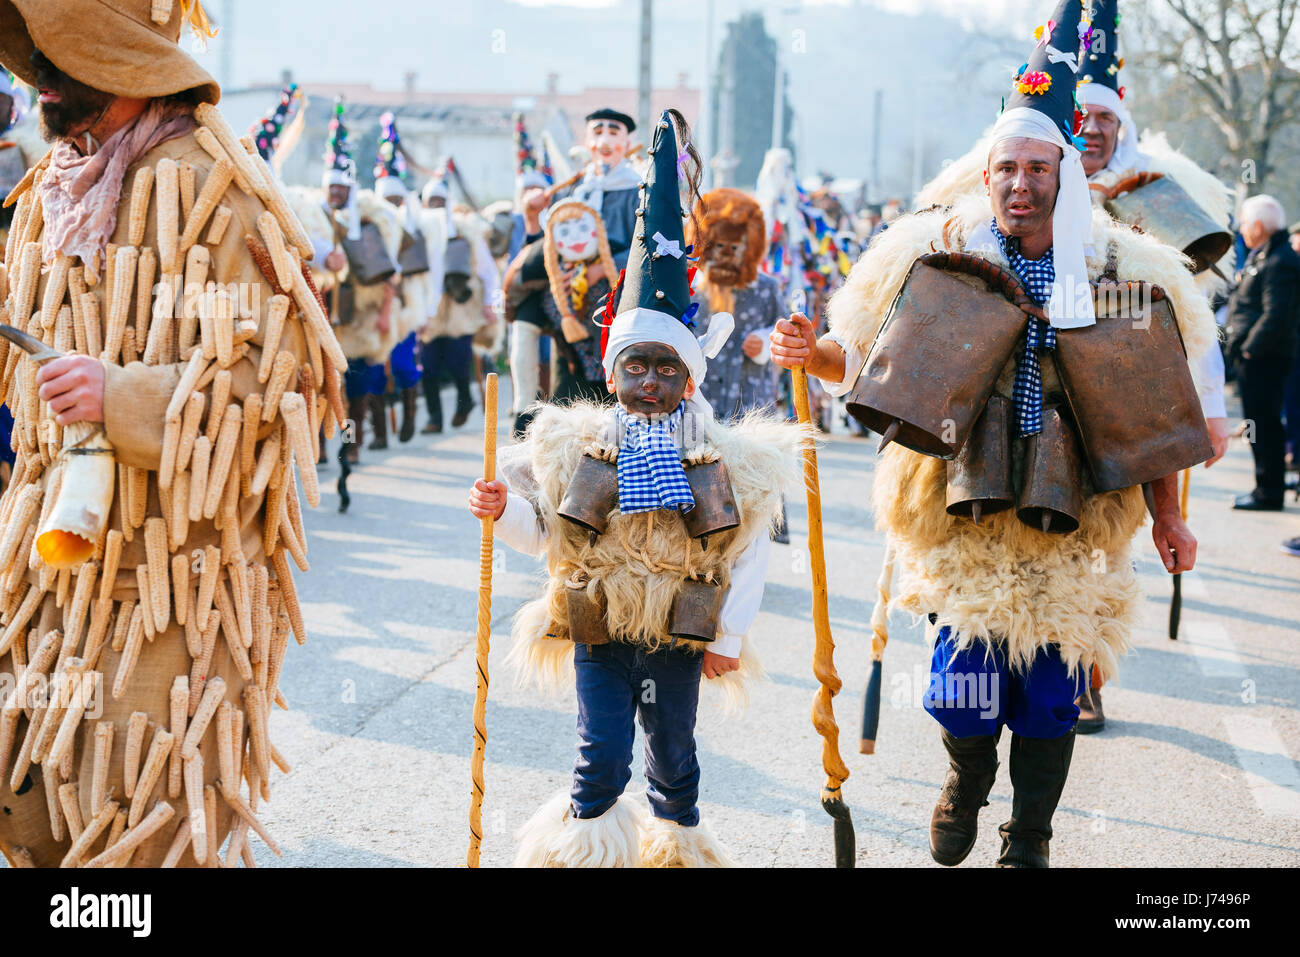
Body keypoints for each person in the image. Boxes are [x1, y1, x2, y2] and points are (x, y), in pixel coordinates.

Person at [770, 0, 1215, 867]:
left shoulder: (1114, 273)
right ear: (990, 171)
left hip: (1071, 517)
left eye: (1036, 168)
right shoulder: (937, 253)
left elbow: (1153, 413)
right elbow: (866, 358)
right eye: (1005, 167)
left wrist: (1169, 515)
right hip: (961, 511)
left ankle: (1030, 835)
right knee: (963, 693)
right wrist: (810, 352)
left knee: (1050, 696)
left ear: (1064, 175)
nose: (1019, 183)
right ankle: (967, 779)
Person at [0, 0, 343, 866]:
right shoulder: (49, 190)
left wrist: (122, 394)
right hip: (45, 566)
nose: (43, 76)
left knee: (135, 819)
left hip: (170, 588)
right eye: (38, 53)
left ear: (126, 62)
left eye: (63, 54)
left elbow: (281, 386)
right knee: (28, 796)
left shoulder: (214, 187)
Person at [468, 111, 803, 867]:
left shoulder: (720, 455)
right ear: (612, 372)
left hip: (678, 632)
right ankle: (586, 849)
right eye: (635, 367)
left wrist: (729, 637)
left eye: (666, 367)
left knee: (674, 754)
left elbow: (747, 553)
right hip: (600, 624)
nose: (650, 381)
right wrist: (503, 512)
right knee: (601, 752)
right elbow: (553, 534)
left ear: (689, 374)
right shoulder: (578, 445)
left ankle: (676, 844)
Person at [321, 98, 403, 463]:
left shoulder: (369, 226)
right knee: (325, 387)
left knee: (356, 387)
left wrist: (385, 312)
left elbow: (388, 275)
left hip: (360, 319)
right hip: (326, 316)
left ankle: (351, 445)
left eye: (341, 189)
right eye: (331, 189)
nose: (336, 194)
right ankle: (320, 448)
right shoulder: (315, 223)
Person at [1226, 194, 1300, 511]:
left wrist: (1249, 350)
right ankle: (1263, 487)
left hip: (1264, 359)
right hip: (1258, 358)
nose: (1241, 229)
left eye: (1244, 223)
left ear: (1257, 225)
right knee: (1261, 424)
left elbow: (1276, 315)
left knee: (1264, 426)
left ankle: (1268, 492)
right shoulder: (1268, 254)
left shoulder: (1280, 260)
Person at [687, 188, 782, 423]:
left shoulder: (765, 287)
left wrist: (765, 341)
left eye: (735, 247)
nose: (727, 255)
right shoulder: (689, 288)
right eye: (719, 246)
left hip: (749, 398)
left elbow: (784, 328)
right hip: (699, 397)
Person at [419, 179, 498, 433]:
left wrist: (492, 306)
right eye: (432, 202)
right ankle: (434, 418)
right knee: (428, 365)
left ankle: (464, 403)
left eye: (441, 202)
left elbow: (488, 271)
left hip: (461, 308)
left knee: (458, 361)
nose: (437, 207)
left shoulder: (466, 232)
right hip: (430, 310)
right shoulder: (420, 231)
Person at [374, 114, 429, 444]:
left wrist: (426, 313)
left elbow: (423, 274)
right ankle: (378, 432)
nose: (391, 205)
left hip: (406, 305)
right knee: (375, 368)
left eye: (395, 199)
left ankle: (409, 413)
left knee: (404, 364)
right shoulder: (369, 228)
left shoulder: (414, 230)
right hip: (374, 306)